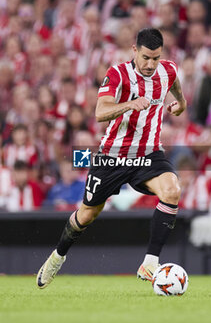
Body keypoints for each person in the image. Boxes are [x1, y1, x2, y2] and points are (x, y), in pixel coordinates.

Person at [36, 28, 186, 289]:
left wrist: (180, 104)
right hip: (113, 156)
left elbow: (176, 89)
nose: (151, 64)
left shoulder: (168, 70)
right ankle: (57, 257)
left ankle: (150, 262)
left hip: (149, 153)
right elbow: (99, 111)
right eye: (146, 58)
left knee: (172, 190)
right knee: (87, 214)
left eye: (156, 58)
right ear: (134, 51)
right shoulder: (117, 74)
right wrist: (130, 103)